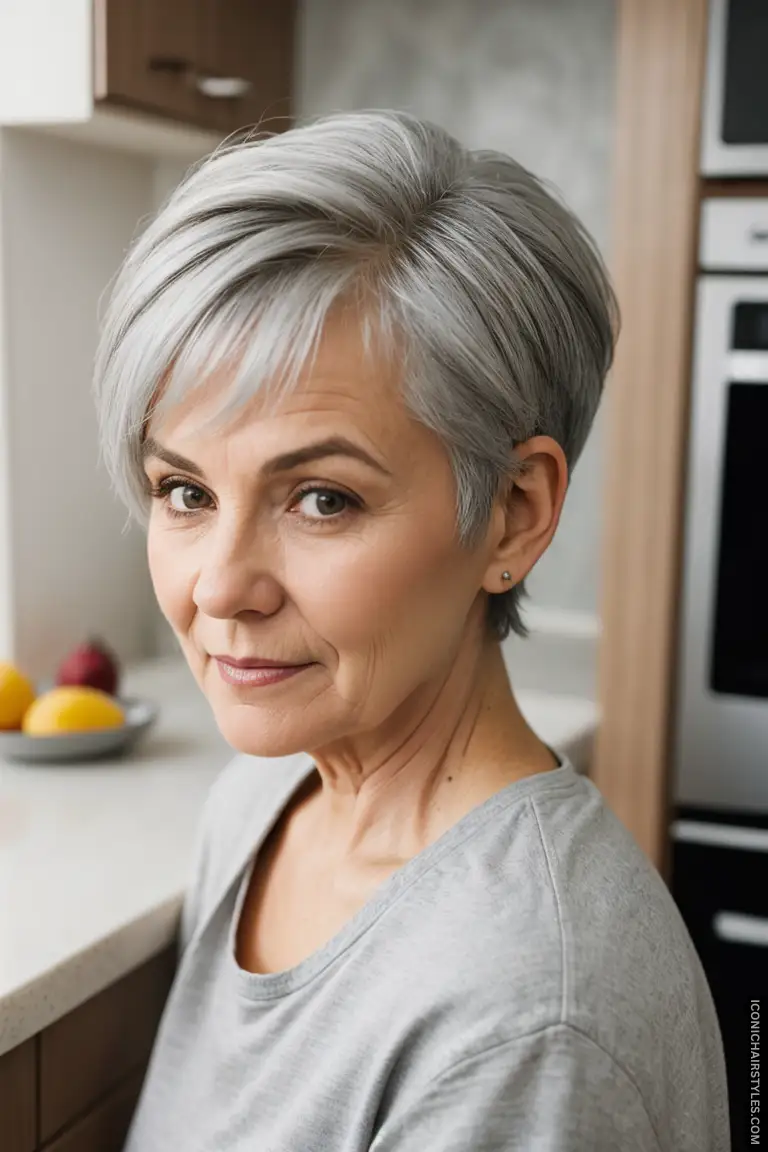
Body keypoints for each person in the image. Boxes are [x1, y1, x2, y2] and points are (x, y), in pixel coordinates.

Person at [92, 108, 730, 1151]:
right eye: (185, 490)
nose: (221, 589)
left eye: (322, 499)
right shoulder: (267, 791)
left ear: (514, 513)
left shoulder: (527, 1024)